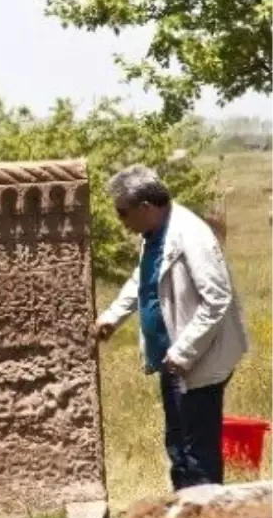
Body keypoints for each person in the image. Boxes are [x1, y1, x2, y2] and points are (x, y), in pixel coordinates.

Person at [94, 164, 248, 491]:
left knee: (198, 451)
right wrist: (112, 316)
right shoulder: (153, 235)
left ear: (145, 208)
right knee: (178, 444)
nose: (121, 222)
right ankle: (183, 511)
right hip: (172, 358)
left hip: (198, 359)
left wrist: (185, 350)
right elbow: (144, 281)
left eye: (123, 213)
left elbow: (217, 298)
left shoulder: (191, 235)